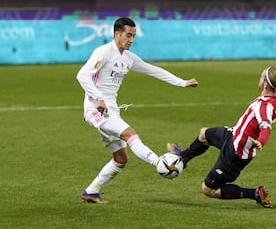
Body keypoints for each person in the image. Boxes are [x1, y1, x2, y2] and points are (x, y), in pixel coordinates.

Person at [76, 17, 198, 203]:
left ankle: (91, 192)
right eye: (128, 35)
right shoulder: (103, 52)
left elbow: (153, 70)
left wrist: (183, 83)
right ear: (117, 34)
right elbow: (82, 75)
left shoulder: (128, 58)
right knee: (129, 134)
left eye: (133, 36)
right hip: (96, 108)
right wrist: (98, 97)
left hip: (111, 109)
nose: (131, 39)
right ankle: (160, 163)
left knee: (120, 159)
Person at [168, 66, 276, 208]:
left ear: (265, 84)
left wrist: (261, 141)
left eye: (261, 77)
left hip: (236, 152)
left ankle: (254, 193)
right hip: (233, 134)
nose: (260, 78)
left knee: (208, 189)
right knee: (204, 134)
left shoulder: (265, 106)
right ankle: (183, 159)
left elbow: (266, 127)